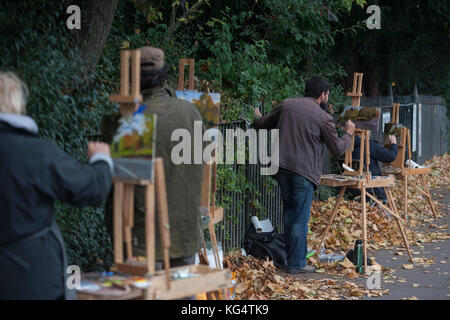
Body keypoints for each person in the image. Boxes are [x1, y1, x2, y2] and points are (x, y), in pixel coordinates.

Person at [0, 71, 113, 299]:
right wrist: (101, 160)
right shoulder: (31, 152)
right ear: (15, 102)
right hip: (33, 282)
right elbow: (90, 188)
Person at [105, 47, 205, 276]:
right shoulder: (190, 112)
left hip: (141, 237)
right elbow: (202, 163)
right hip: (184, 230)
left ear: (134, 79)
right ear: (164, 75)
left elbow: (116, 181)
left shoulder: (130, 118)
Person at [253, 76, 355, 274]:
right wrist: (349, 133)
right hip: (303, 173)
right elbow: (337, 149)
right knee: (299, 219)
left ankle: (291, 258)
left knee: (290, 214)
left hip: (281, 170)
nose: (328, 98)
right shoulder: (323, 117)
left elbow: (262, 124)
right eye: (328, 95)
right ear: (322, 95)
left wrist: (257, 116)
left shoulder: (287, 105)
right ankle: (296, 263)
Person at [349, 133, 398, 205]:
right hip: (370, 186)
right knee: (388, 182)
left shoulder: (347, 142)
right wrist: (393, 143)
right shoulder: (369, 145)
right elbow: (390, 156)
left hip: (350, 185)